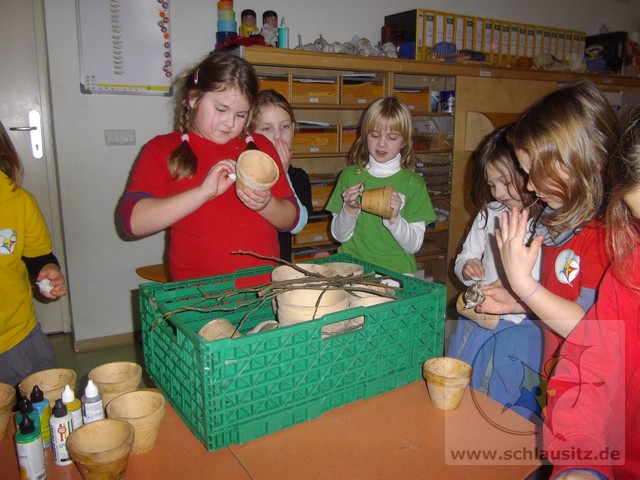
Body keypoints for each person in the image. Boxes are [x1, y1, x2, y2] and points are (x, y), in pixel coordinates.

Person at [119, 52, 298, 281]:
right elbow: (133, 222)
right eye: (221, 109)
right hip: (199, 297)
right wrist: (203, 193)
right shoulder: (162, 148)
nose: (230, 123)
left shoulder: (260, 145)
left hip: (262, 292)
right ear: (194, 97)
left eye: (241, 114)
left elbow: (290, 217)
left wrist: (266, 204)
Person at [477, 80, 618, 364]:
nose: (529, 186)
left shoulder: (607, 237)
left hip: (593, 388)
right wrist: (522, 301)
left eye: (535, 172)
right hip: (559, 375)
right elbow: (562, 305)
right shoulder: (561, 224)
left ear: (582, 161)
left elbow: (590, 329)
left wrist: (524, 285)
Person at [542, 107, 640, 479]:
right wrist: (580, 463)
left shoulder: (598, 241)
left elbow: (578, 318)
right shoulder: (630, 270)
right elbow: (592, 363)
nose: (529, 186)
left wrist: (525, 290)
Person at [447, 124, 543, 420]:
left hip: (519, 327)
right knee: (466, 380)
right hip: (480, 317)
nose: (498, 193)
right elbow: (464, 257)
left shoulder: (543, 223)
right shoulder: (489, 213)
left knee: (507, 394)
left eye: (504, 182)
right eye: (491, 185)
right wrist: (467, 268)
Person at [325, 96, 436, 275]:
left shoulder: (413, 184)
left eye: (392, 137)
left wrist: (394, 219)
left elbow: (414, 245)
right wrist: (349, 210)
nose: (382, 143)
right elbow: (339, 236)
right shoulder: (349, 176)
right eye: (375, 135)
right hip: (352, 269)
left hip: (395, 273)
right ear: (365, 134)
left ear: (405, 141)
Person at [0, 121, 68, 387]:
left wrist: (48, 270)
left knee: (49, 404)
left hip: (17, 335)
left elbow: (38, 257)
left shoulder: (18, 200)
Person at [251, 89, 313, 261]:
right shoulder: (245, 173)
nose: (278, 136)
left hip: (278, 266)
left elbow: (297, 225)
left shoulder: (298, 177)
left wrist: (283, 174)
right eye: (266, 128)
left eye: (285, 127)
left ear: (293, 129)